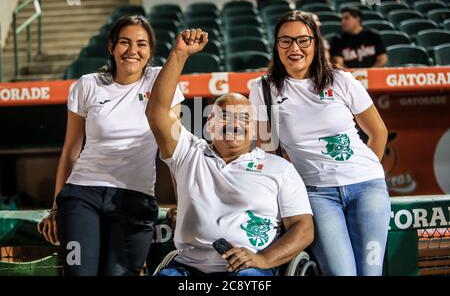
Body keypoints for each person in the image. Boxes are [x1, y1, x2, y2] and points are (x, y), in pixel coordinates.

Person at [146, 28, 314, 276]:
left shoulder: (279, 169)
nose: (234, 123)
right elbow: (157, 112)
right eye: (223, 116)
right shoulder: (188, 153)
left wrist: (264, 259)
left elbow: (303, 227)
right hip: (188, 268)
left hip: (248, 269)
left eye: (243, 118)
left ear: (255, 127)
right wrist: (180, 54)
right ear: (208, 125)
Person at [37, 15, 185, 276]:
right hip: (82, 195)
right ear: (111, 46)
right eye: (125, 42)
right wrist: (56, 206)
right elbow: (71, 149)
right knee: (78, 272)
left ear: (150, 50)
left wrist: (183, 203)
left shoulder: (160, 81)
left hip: (135, 198)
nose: (132, 51)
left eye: (142, 44)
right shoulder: (87, 84)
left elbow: (174, 150)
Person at [249, 10, 391, 276]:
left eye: (303, 40)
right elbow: (268, 150)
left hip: (367, 187)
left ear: (315, 43)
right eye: (286, 40)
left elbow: (378, 133)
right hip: (316, 193)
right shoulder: (263, 89)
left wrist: (367, 173)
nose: (295, 48)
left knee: (371, 272)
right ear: (276, 45)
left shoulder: (341, 80)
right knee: (342, 273)